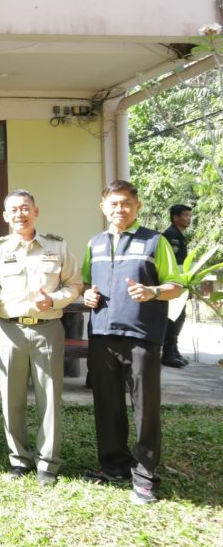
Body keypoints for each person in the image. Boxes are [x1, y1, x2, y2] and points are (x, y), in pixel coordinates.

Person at [0, 189, 83, 485]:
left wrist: (54, 300)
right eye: (14, 210)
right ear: (5, 216)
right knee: (11, 397)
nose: (21, 214)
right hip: (8, 330)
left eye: (26, 208)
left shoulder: (57, 246)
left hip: (47, 330)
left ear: (36, 211)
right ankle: (19, 459)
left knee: (50, 398)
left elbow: (74, 285)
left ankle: (48, 463)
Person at [81, 181, 183, 504]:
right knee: (107, 403)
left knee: (145, 409)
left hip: (142, 336)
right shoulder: (95, 243)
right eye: (113, 204)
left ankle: (144, 476)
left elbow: (176, 286)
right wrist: (86, 293)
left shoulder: (156, 241)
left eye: (125, 203)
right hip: (102, 336)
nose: (119, 209)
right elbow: (86, 281)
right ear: (103, 208)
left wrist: (152, 292)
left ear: (137, 206)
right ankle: (113, 466)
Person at [161, 203, 192, 368]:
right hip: (173, 282)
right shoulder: (171, 235)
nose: (189, 219)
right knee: (175, 318)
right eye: (185, 215)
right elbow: (173, 262)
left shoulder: (178, 234)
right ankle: (168, 354)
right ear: (175, 217)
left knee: (179, 317)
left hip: (180, 282)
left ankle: (174, 351)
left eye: (189, 215)